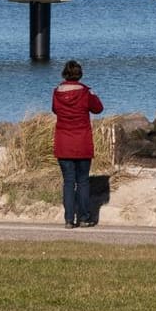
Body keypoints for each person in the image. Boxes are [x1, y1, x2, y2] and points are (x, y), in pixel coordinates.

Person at [52, 59, 104, 228]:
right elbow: (98, 108)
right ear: (79, 74)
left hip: (64, 142)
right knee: (82, 181)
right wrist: (92, 94)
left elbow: (55, 109)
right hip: (81, 142)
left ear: (64, 74)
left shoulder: (57, 92)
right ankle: (84, 216)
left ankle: (68, 219)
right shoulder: (86, 93)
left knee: (68, 182)